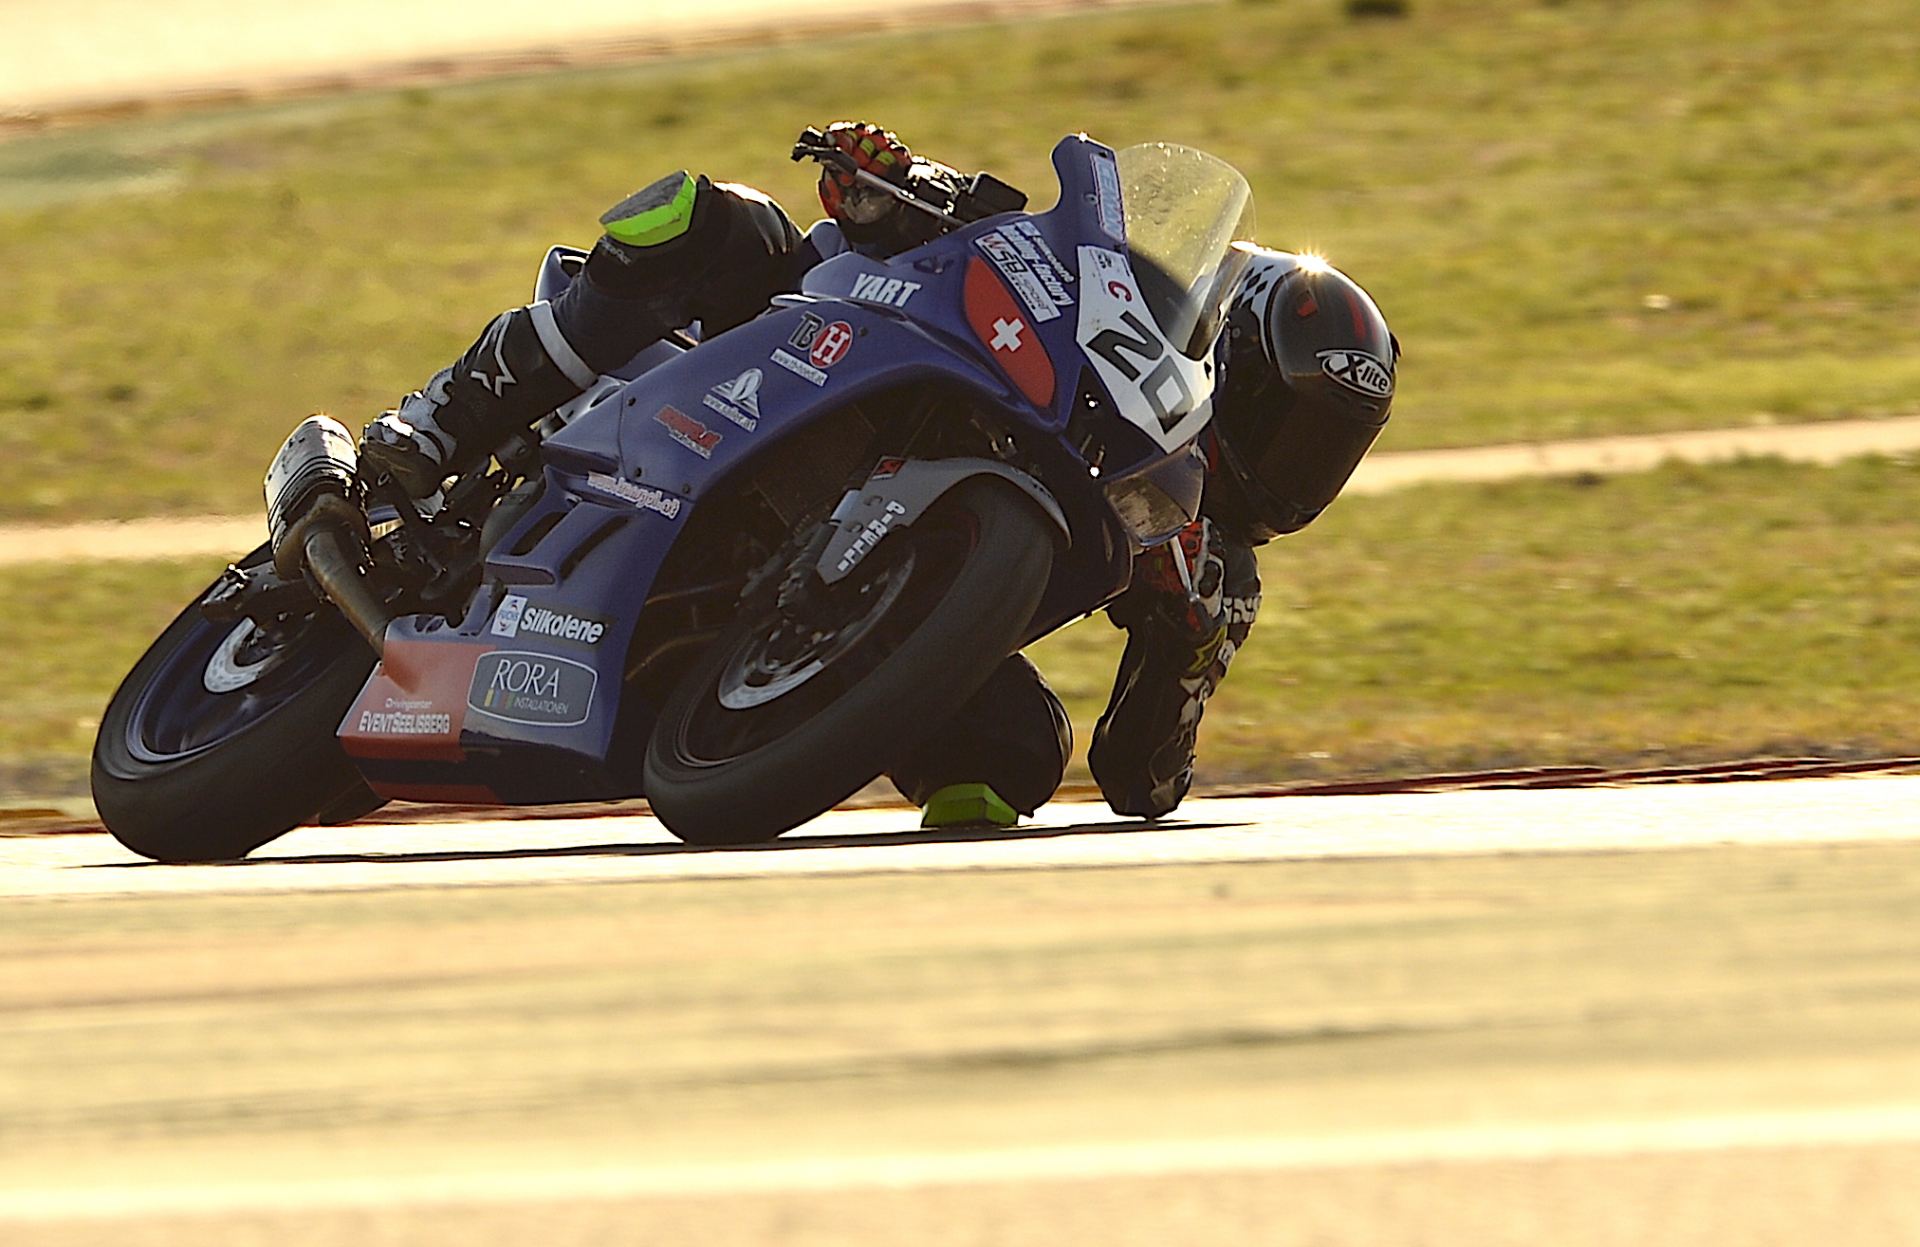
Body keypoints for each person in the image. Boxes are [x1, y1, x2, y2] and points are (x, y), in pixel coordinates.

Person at [359, 123, 1397, 827]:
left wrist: (1185, 648)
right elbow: (913, 220)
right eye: (1285, 419)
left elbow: (1140, 777)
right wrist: (888, 178)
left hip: (878, 598)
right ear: (1231, 355)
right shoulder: (1079, 304)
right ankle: (435, 427)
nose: (1298, 466)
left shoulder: (1219, 570)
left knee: (1018, 756)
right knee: (711, 216)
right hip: (784, 361)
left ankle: (769, 724)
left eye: (1327, 448)